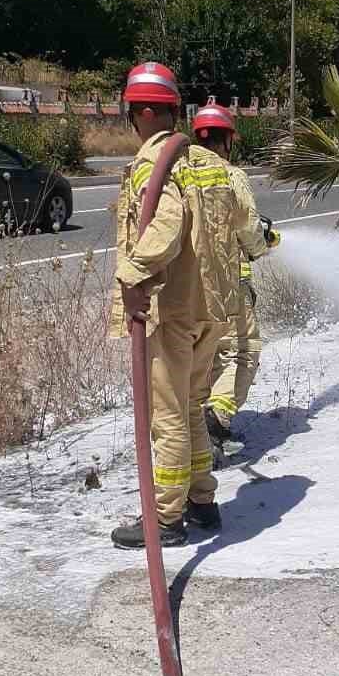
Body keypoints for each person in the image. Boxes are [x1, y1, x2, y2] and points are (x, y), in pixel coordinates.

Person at [110, 64, 240, 549]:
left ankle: (165, 520)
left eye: (130, 115)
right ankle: (204, 503)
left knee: (167, 417)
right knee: (190, 408)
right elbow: (244, 227)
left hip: (173, 310)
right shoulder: (208, 163)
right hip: (211, 310)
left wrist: (131, 275)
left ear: (143, 113)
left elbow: (163, 227)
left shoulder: (154, 164)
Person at [191, 103, 280, 450]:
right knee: (242, 350)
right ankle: (218, 417)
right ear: (227, 139)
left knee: (207, 355)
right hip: (229, 282)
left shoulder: (179, 173)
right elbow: (247, 227)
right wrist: (261, 246)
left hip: (186, 285)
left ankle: (200, 424)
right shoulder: (229, 174)